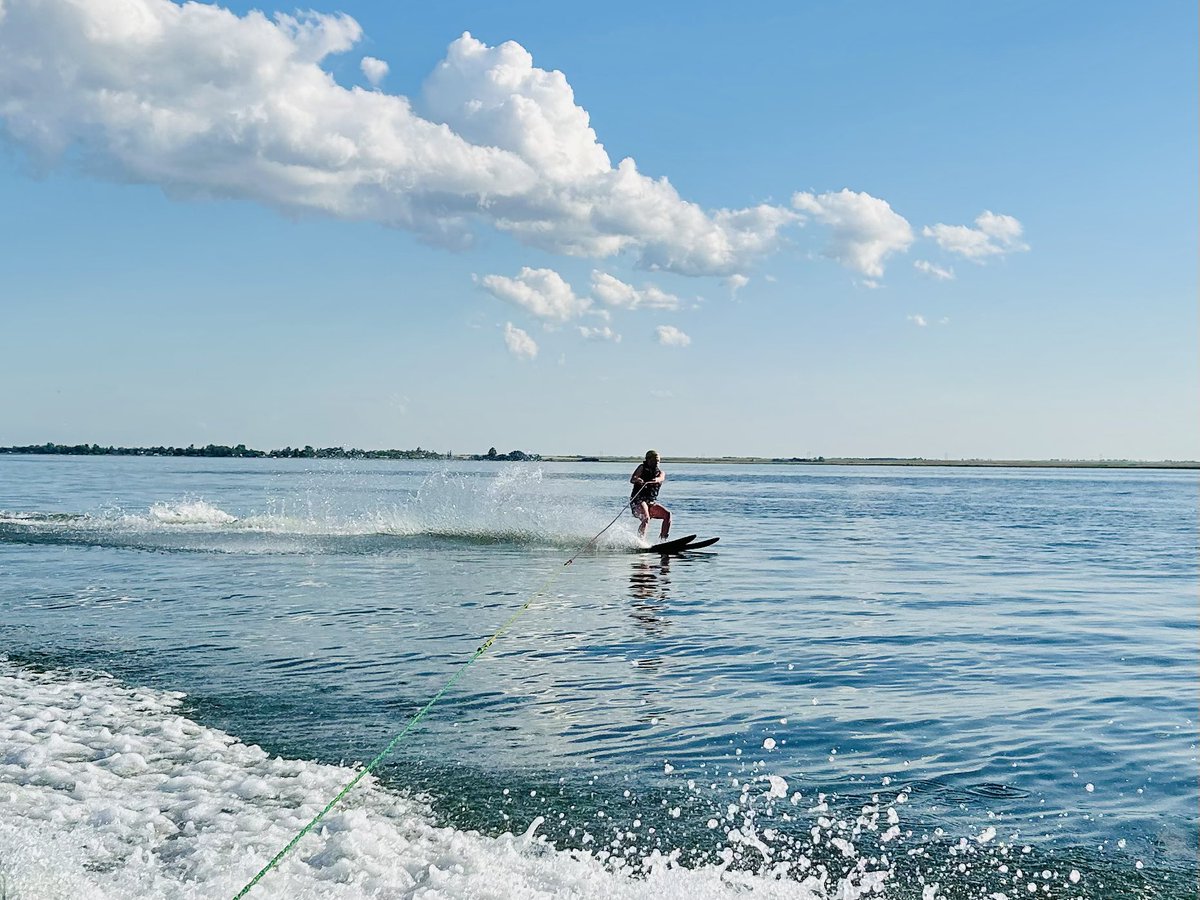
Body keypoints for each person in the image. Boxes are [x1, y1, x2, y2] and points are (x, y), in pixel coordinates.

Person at [630, 450, 671, 541]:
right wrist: (638, 479)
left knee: (667, 515)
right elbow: (633, 479)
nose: (656, 463)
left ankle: (663, 540)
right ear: (648, 460)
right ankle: (640, 541)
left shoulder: (660, 473)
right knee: (646, 518)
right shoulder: (641, 468)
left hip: (650, 503)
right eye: (653, 461)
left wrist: (655, 480)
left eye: (658, 461)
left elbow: (661, 478)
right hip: (638, 501)